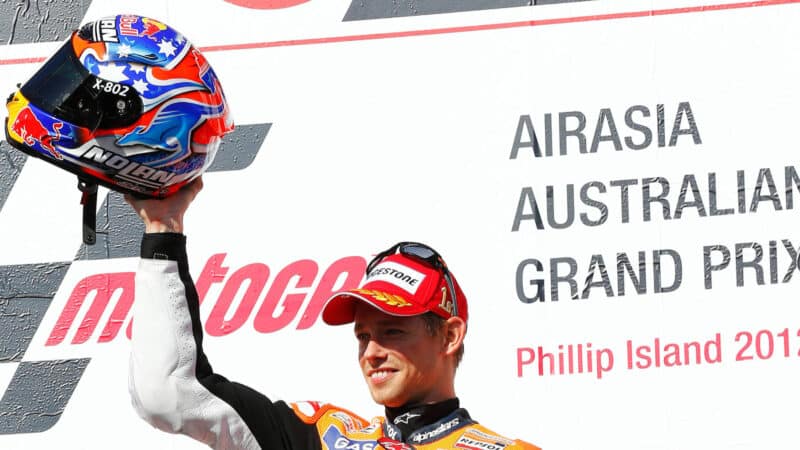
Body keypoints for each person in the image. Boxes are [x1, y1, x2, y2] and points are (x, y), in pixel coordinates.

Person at [126, 179, 540, 449]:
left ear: (449, 337)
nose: (371, 352)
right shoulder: (324, 436)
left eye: (393, 332)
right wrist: (163, 227)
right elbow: (169, 393)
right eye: (363, 336)